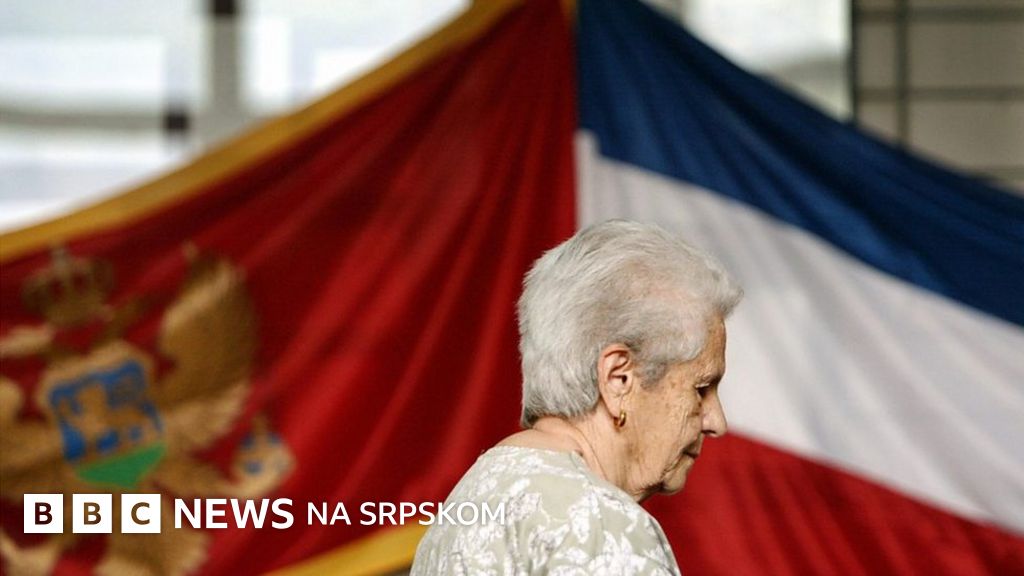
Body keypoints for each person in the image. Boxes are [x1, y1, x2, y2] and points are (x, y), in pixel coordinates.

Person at [411, 220, 742, 575]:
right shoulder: (601, 525)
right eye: (701, 388)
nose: (717, 422)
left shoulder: (463, 509)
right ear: (618, 379)